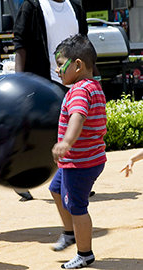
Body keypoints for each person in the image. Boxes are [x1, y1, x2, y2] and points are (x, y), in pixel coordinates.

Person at [13, 0, 88, 201]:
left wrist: (92, 77)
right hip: (43, 80)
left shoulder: (76, 7)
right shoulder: (33, 6)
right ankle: (20, 178)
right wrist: (19, 81)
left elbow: (85, 44)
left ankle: (76, 181)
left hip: (73, 81)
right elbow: (20, 45)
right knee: (39, 134)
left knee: (72, 132)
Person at [49, 34, 107, 269]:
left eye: (61, 64)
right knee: (55, 190)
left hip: (80, 162)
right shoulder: (93, 86)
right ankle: (70, 232)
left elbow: (78, 117)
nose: (57, 70)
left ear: (78, 65)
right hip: (84, 159)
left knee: (77, 207)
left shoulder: (80, 91)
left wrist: (67, 142)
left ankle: (85, 253)